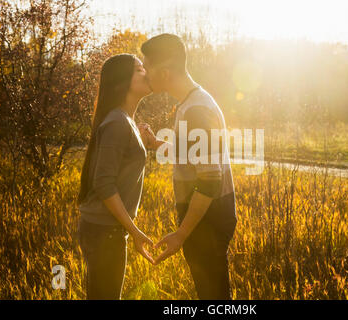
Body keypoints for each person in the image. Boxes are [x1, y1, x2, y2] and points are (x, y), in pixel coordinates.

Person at [140, 33, 237, 300]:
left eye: (147, 68)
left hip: (207, 219)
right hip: (207, 217)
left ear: (166, 72)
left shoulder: (196, 110)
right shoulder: (192, 103)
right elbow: (195, 155)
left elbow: (209, 180)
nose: (145, 74)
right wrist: (158, 144)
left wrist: (181, 234)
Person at [76, 53, 154, 300]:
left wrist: (147, 144)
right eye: (140, 69)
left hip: (104, 229)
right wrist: (134, 230)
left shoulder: (125, 121)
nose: (147, 72)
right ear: (123, 82)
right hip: (104, 231)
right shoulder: (118, 122)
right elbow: (103, 183)